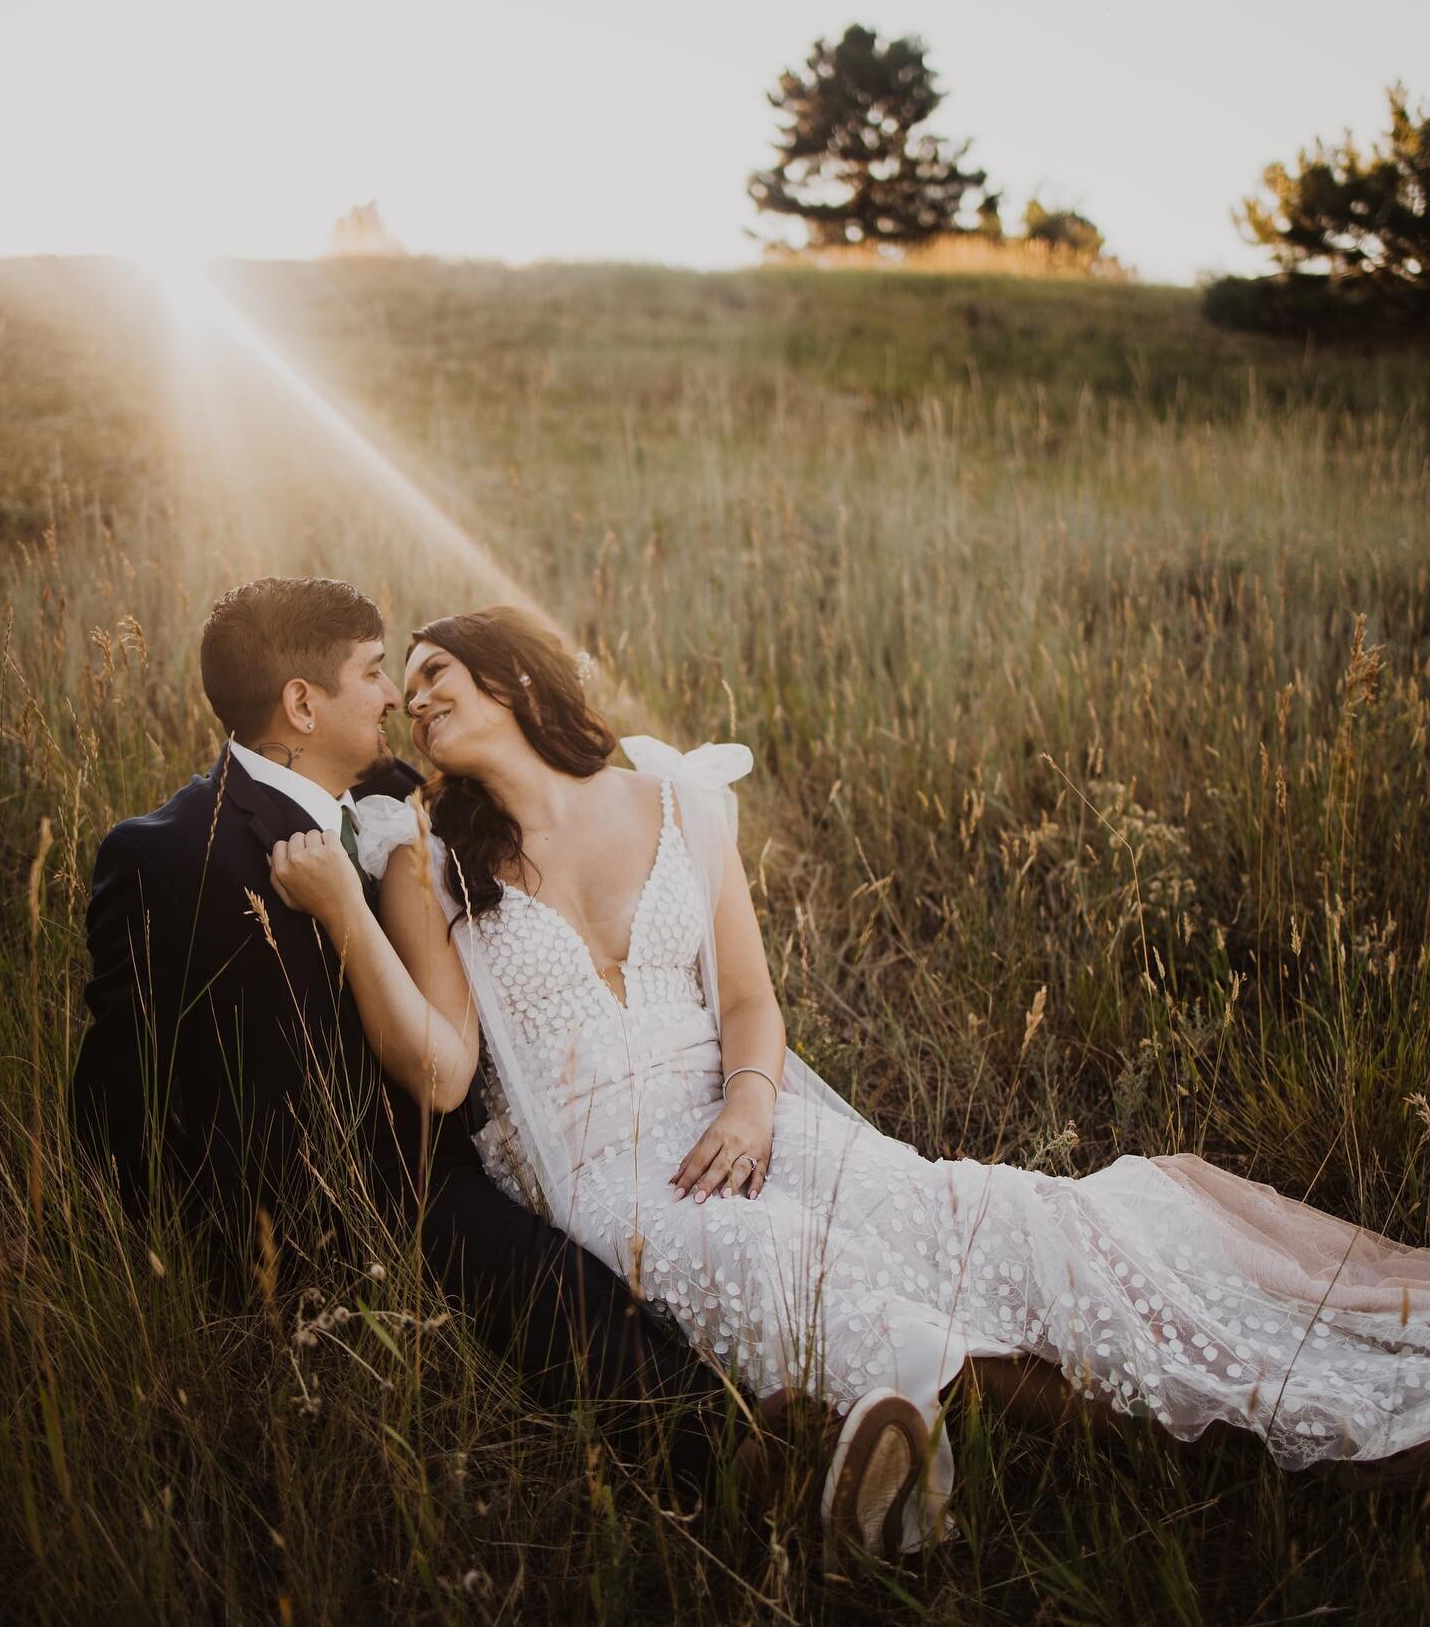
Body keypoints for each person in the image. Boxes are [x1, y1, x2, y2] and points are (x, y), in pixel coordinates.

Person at [267, 604, 1430, 1551]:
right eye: (403, 683)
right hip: (603, 1170)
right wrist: (344, 915)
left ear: (514, 675)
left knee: (980, 1213)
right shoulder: (424, 858)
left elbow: (749, 1001)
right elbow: (439, 1068)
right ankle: (1188, 1454)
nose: (414, 699)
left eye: (436, 672)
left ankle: (1250, 1404)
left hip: (737, 1111)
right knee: (771, 1256)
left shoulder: (678, 798)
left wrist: (753, 1099)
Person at [72, 576, 935, 1562]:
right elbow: (120, 1074)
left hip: (494, 1116)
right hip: (345, 1178)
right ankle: (745, 1459)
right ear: (303, 705)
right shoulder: (170, 853)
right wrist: (205, 1241)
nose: (394, 696)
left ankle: (807, 1419)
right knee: (527, 1270)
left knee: (606, 1248)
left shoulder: (398, 796)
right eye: (371, 673)